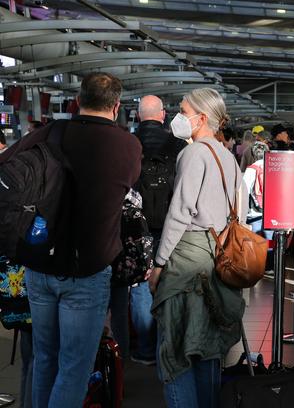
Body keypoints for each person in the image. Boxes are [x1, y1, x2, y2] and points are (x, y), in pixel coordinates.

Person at [0, 72, 142, 407]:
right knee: (74, 365)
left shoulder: (51, 132)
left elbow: (6, 164)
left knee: (44, 359)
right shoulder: (127, 145)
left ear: (78, 101)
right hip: (87, 271)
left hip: (39, 265)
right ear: (117, 105)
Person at [148, 88, 245, 408]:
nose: (179, 116)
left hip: (188, 261)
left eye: (183, 110)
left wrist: (160, 263)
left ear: (202, 118)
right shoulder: (227, 156)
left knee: (174, 352)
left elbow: (180, 211)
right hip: (217, 257)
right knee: (207, 349)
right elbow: (239, 212)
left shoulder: (192, 154)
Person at [130, 95, 186, 366]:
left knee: (140, 282)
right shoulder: (178, 145)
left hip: (135, 226)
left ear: (138, 116)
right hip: (170, 223)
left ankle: (143, 349)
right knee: (169, 280)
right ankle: (168, 347)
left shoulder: (127, 143)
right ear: (163, 115)